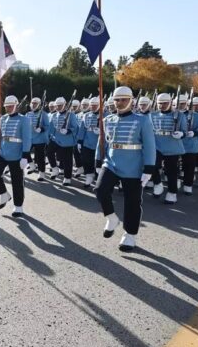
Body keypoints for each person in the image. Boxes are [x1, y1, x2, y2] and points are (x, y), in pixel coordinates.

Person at [96, 86, 156, 252]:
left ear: (131, 100)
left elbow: (150, 145)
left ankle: (129, 235)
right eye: (116, 99)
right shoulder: (107, 119)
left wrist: (149, 168)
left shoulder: (142, 120)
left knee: (132, 201)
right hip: (111, 163)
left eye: (123, 99)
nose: (119, 103)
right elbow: (102, 141)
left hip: (133, 165)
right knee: (100, 190)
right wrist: (97, 160)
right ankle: (111, 218)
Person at [0, 95, 32, 217]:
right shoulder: (3, 118)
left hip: (17, 154)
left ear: (16, 106)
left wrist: (25, 156)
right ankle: (4, 194)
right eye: (6, 107)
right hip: (3, 152)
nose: (8, 108)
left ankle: (18, 206)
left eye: (10, 106)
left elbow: (27, 138)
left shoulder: (24, 120)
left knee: (17, 181)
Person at [150, 93, 186, 204]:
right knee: (152, 165)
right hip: (156, 145)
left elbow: (184, 130)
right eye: (160, 103)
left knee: (171, 171)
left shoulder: (179, 115)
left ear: (170, 103)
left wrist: (181, 134)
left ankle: (172, 193)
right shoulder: (152, 115)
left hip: (172, 146)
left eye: (165, 103)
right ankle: (157, 183)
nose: (162, 105)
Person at [48, 97, 79, 186]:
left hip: (67, 141)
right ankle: (54, 168)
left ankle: (67, 177)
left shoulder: (71, 115)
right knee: (49, 152)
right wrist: (49, 136)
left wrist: (68, 131)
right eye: (57, 106)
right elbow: (51, 127)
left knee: (67, 160)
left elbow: (75, 127)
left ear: (64, 105)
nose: (58, 107)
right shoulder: (54, 115)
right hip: (56, 139)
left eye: (60, 105)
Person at [77, 97, 101, 187]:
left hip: (99, 143)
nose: (93, 107)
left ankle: (99, 178)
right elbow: (82, 128)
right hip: (87, 142)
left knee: (98, 162)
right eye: (92, 105)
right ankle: (89, 176)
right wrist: (80, 141)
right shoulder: (86, 115)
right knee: (86, 160)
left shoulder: (105, 115)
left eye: (95, 105)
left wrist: (101, 131)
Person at [26, 97, 49, 181]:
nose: (33, 105)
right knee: (25, 152)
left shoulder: (43, 114)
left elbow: (47, 126)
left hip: (40, 139)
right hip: (30, 138)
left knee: (40, 157)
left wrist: (41, 129)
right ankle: (32, 165)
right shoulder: (28, 114)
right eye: (32, 103)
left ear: (39, 105)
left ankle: (41, 173)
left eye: (35, 103)